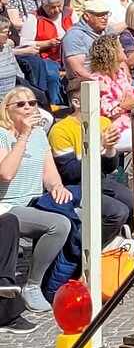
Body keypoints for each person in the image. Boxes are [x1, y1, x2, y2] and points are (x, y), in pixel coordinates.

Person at [0, 86, 69, 308]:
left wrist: (57, 186)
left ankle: (63, 279)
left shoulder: (39, 135)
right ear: (7, 110)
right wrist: (23, 136)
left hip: (36, 201)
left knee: (81, 214)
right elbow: (6, 173)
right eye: (20, 104)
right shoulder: (2, 135)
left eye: (32, 103)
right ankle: (33, 285)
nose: (28, 107)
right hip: (8, 205)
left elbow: (49, 174)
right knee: (58, 224)